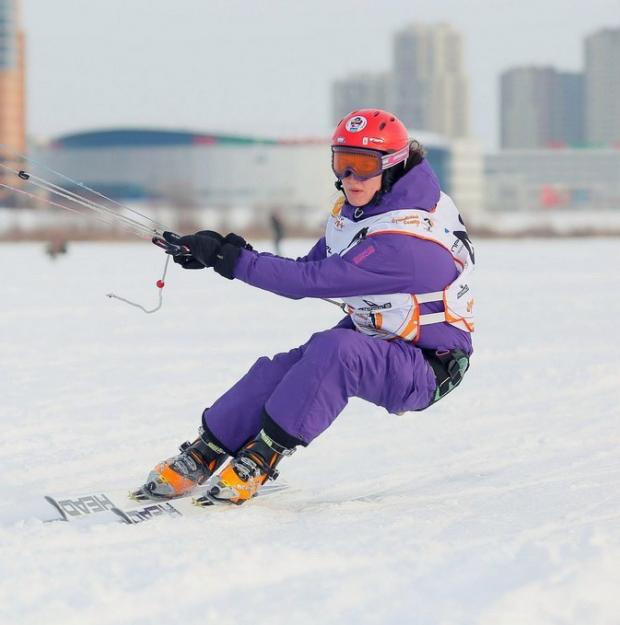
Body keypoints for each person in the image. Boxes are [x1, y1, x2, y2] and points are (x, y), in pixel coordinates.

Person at [143, 109, 475, 504]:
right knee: (289, 367)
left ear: (392, 166)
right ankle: (208, 449)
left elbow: (309, 283)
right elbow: (311, 267)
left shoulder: (404, 244)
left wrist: (229, 262)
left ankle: (263, 456)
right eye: (342, 162)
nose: (350, 178)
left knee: (336, 351)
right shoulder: (366, 208)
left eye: (364, 165)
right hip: (379, 331)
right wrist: (230, 253)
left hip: (427, 363)